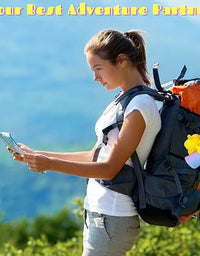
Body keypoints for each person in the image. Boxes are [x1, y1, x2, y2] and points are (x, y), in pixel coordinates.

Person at [9, 29, 161, 256]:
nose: (95, 78)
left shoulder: (139, 106)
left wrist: (49, 164)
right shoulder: (124, 100)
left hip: (112, 218)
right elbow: (96, 155)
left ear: (121, 61)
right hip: (101, 216)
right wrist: (38, 155)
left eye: (98, 69)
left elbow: (109, 170)